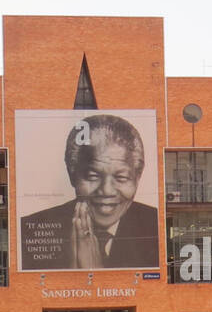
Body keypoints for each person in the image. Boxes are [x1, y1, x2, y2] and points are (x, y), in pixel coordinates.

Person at [20, 114, 159, 270]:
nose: (106, 190)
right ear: (72, 174)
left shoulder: (157, 225)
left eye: (121, 177)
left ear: (138, 177)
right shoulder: (27, 231)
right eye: (93, 176)